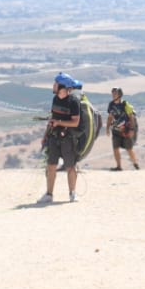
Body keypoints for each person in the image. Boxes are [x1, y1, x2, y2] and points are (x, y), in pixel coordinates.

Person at [41, 72, 88, 203]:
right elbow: (53, 118)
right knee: (51, 165)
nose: (53, 85)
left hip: (68, 139)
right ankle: (49, 195)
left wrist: (59, 123)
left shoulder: (73, 102)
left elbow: (75, 122)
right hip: (53, 137)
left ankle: (72, 193)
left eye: (56, 83)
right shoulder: (55, 99)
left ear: (62, 86)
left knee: (70, 167)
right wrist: (46, 135)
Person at [106, 87, 141, 170]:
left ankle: (135, 164)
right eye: (113, 93)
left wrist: (132, 129)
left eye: (115, 93)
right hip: (116, 130)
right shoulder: (111, 105)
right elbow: (110, 117)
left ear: (120, 95)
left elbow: (131, 117)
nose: (113, 95)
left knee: (129, 148)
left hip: (126, 130)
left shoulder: (125, 104)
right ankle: (119, 166)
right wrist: (107, 128)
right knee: (115, 148)